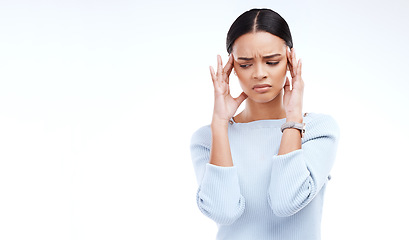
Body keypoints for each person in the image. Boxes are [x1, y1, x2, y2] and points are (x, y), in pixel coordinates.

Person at [190, 8, 340, 240]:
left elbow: (286, 202)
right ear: (232, 68)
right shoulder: (207, 139)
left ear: (289, 61)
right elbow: (224, 212)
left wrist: (293, 119)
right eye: (245, 64)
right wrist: (219, 124)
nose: (259, 73)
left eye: (271, 62)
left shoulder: (317, 130)